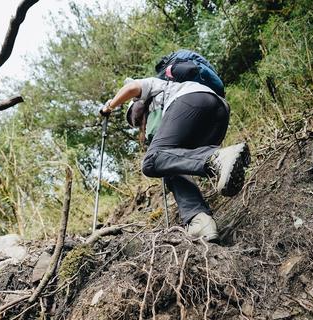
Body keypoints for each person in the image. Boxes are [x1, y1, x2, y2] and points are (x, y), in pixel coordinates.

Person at [100, 76, 250, 242]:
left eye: (134, 116)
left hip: (191, 101)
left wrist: (110, 106)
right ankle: (200, 220)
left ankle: (214, 158)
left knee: (150, 162)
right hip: (218, 113)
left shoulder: (152, 87)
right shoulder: (162, 114)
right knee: (170, 167)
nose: (136, 121)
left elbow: (131, 88)